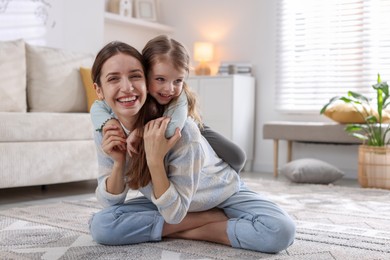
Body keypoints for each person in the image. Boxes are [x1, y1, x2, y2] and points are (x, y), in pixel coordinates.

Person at [89, 38, 296, 253]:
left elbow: (173, 216)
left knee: (280, 231)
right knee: (102, 226)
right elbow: (110, 203)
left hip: (220, 194)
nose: (127, 87)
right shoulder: (108, 129)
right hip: (169, 200)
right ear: (99, 90)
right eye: (114, 79)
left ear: (145, 81)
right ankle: (206, 220)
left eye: (135, 76)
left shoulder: (182, 130)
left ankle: (196, 230)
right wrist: (118, 163)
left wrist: (154, 160)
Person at [90, 35, 246, 173]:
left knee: (238, 157)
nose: (169, 89)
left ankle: (232, 183)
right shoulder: (137, 95)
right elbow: (97, 106)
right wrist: (108, 122)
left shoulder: (180, 98)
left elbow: (174, 127)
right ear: (146, 74)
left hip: (190, 125)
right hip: (160, 131)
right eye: (160, 79)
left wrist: (140, 132)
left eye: (178, 81)